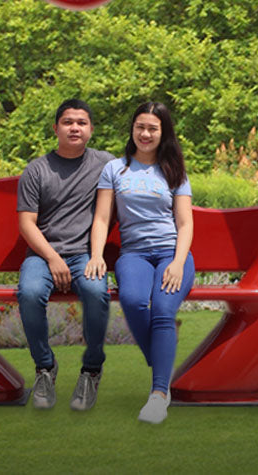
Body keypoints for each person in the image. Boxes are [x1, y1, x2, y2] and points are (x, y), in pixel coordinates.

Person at [86, 101, 194, 424]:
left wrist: (177, 263)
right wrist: (95, 254)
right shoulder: (115, 169)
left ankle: (159, 395)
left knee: (162, 310)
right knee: (133, 301)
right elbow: (102, 218)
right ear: (132, 129)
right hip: (133, 254)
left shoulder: (174, 170)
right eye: (140, 127)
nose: (145, 134)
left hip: (171, 254)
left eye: (153, 129)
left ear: (164, 133)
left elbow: (185, 223)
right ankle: (163, 353)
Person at [16, 98, 115, 411]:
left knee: (97, 291)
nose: (75, 128)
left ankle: (91, 369)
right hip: (43, 255)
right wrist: (53, 258)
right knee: (29, 293)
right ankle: (45, 367)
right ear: (56, 128)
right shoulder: (37, 170)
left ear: (91, 130)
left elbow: (142, 175)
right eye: (68, 122)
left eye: (82, 123)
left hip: (86, 254)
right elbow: (26, 224)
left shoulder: (105, 165)